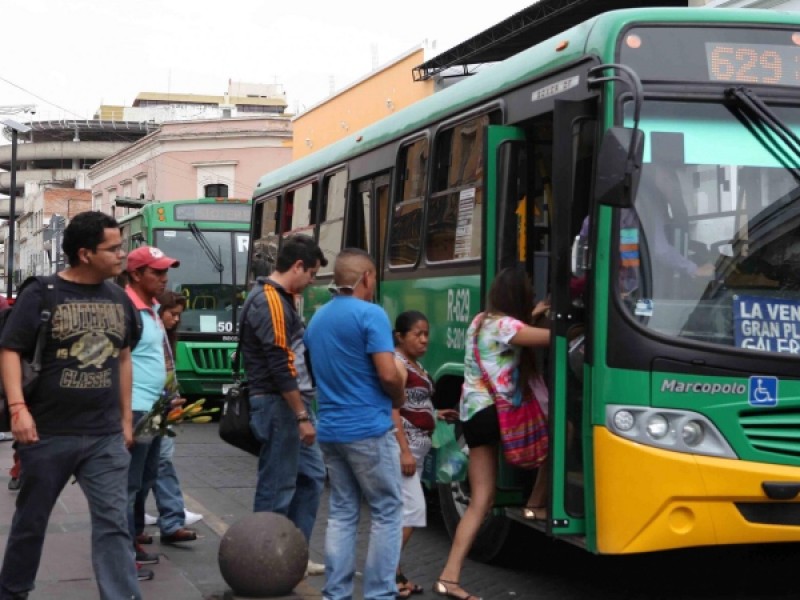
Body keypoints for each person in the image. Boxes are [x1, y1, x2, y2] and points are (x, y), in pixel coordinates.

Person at [0, 211, 142, 600]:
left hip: (104, 436)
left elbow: (124, 357)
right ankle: (12, 592)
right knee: (31, 522)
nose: (122, 255)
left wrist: (126, 420)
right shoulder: (42, 293)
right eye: (113, 248)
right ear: (84, 254)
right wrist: (18, 409)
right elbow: (10, 350)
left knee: (114, 523)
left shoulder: (119, 298)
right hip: (47, 434)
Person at [434, 267, 550, 600]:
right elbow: (548, 338)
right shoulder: (507, 327)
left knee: (480, 501)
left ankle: (449, 576)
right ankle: (535, 504)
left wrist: (538, 311)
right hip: (495, 415)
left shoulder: (480, 321)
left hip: (472, 416)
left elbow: (519, 327)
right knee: (561, 435)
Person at [304, 248, 405, 600]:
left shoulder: (318, 319)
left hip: (330, 428)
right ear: (365, 278)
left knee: (343, 512)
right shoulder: (371, 314)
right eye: (374, 277)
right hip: (368, 428)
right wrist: (399, 396)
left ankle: (337, 593)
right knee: (387, 511)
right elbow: (388, 373)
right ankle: (379, 594)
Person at [239, 234, 328, 577]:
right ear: (298, 266)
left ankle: (293, 555)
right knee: (278, 486)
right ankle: (264, 562)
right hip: (280, 406)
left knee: (311, 476)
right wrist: (302, 415)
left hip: (287, 405)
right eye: (311, 274)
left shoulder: (281, 299)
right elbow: (280, 365)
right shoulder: (272, 301)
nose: (311, 282)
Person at [125, 245, 196, 580]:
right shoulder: (127, 308)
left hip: (156, 409)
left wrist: (171, 397)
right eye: (156, 272)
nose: (164, 277)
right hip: (136, 409)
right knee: (127, 486)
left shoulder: (153, 308)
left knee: (143, 481)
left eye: (166, 271)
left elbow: (157, 360)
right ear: (136, 274)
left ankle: (132, 544)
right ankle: (123, 559)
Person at [392, 310, 457, 598]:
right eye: (417, 334)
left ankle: (393, 574)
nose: (424, 340)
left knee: (401, 513)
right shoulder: (397, 365)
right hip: (404, 452)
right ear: (400, 337)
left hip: (417, 451)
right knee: (414, 511)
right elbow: (392, 410)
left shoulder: (413, 364)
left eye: (426, 334)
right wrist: (404, 451)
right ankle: (388, 574)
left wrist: (436, 413)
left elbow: (414, 404)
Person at [137, 291, 203, 537]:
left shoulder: (163, 335)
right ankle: (170, 519)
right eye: (172, 314)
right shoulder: (150, 329)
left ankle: (153, 520)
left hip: (162, 407)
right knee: (157, 463)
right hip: (150, 407)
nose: (176, 319)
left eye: (179, 315)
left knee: (156, 463)